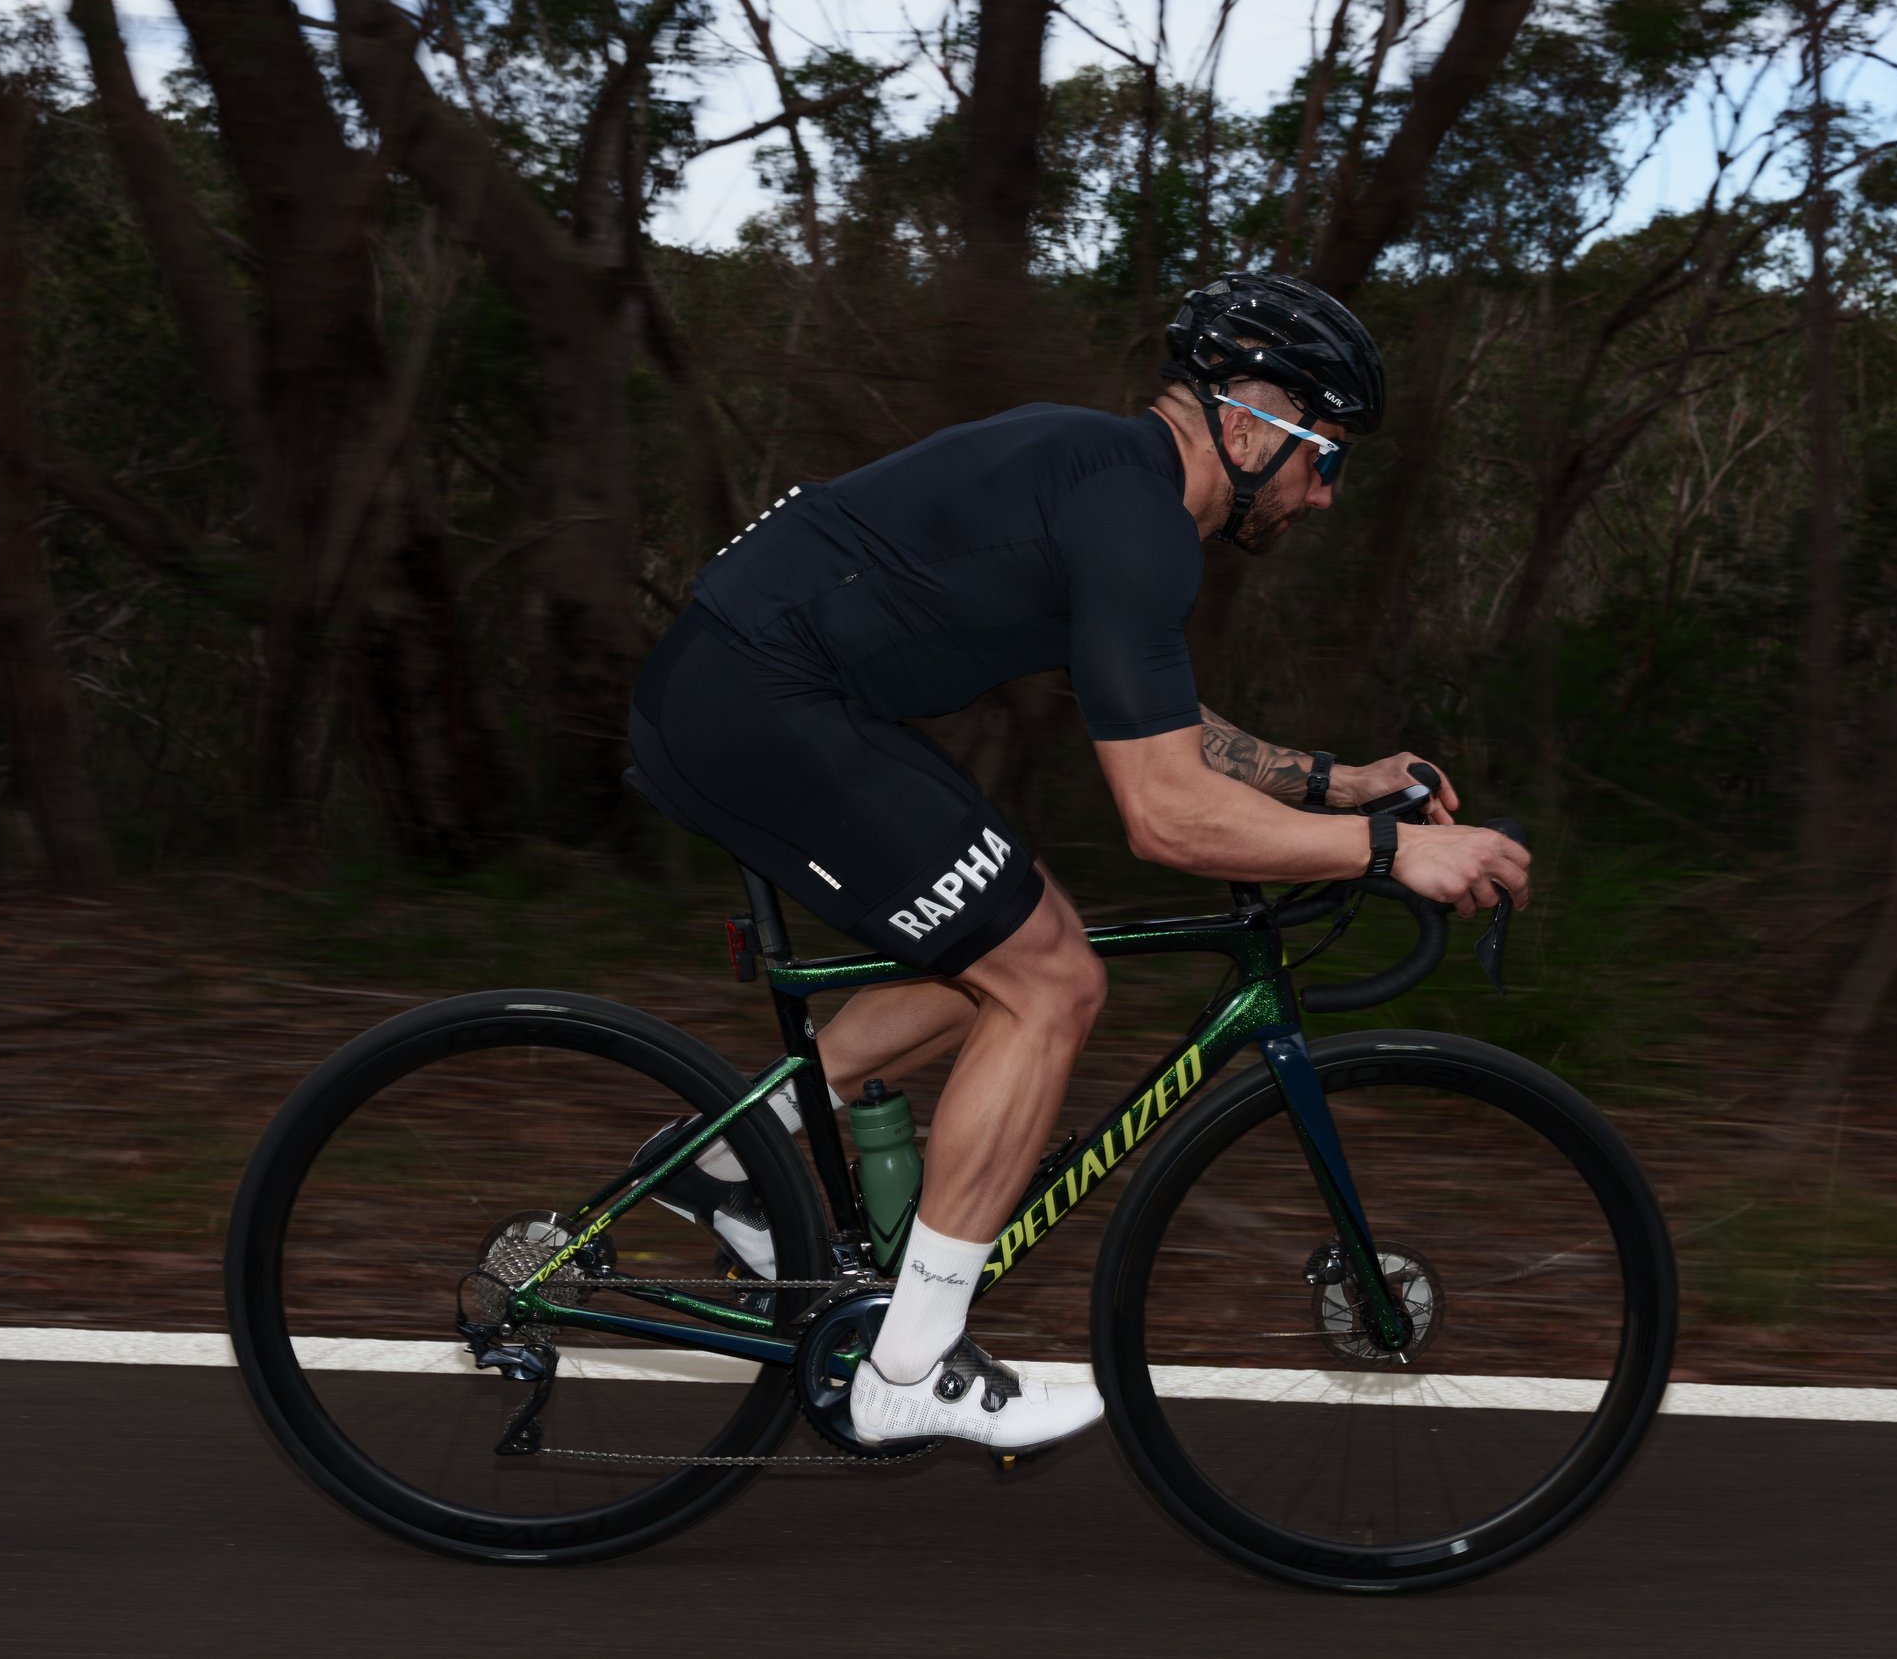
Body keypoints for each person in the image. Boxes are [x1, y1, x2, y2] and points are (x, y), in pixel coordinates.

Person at [625, 272, 1533, 1453]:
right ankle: (908, 1364)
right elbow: (1165, 815)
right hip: (761, 700)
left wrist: (1336, 784)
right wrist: (1395, 849)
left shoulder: (1110, 483)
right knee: (1051, 979)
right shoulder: (1135, 519)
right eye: (1327, 457)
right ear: (1253, 425)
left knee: (1011, 927)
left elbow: (1167, 722)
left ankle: (719, 1167)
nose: (1325, 492)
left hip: (748, 689)